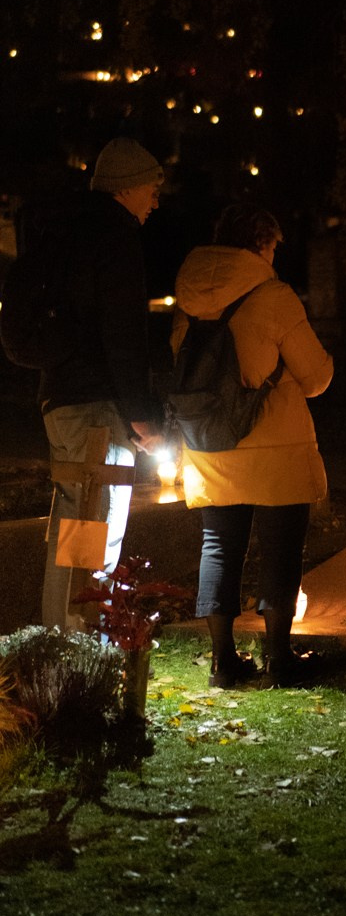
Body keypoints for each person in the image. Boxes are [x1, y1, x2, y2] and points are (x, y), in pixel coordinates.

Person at [171, 203, 333, 688]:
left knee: (218, 546)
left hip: (209, 445)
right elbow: (316, 377)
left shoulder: (189, 298)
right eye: (274, 246)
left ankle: (223, 662)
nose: (276, 254)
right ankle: (279, 659)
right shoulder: (274, 296)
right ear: (261, 243)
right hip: (274, 448)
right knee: (281, 549)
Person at [40, 137, 165, 631]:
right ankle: (82, 646)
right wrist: (141, 413)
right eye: (153, 190)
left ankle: (60, 639)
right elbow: (123, 332)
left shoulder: (66, 230)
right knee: (97, 525)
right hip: (97, 406)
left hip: (60, 396)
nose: (155, 202)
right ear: (129, 188)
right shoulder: (115, 236)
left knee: (73, 522)